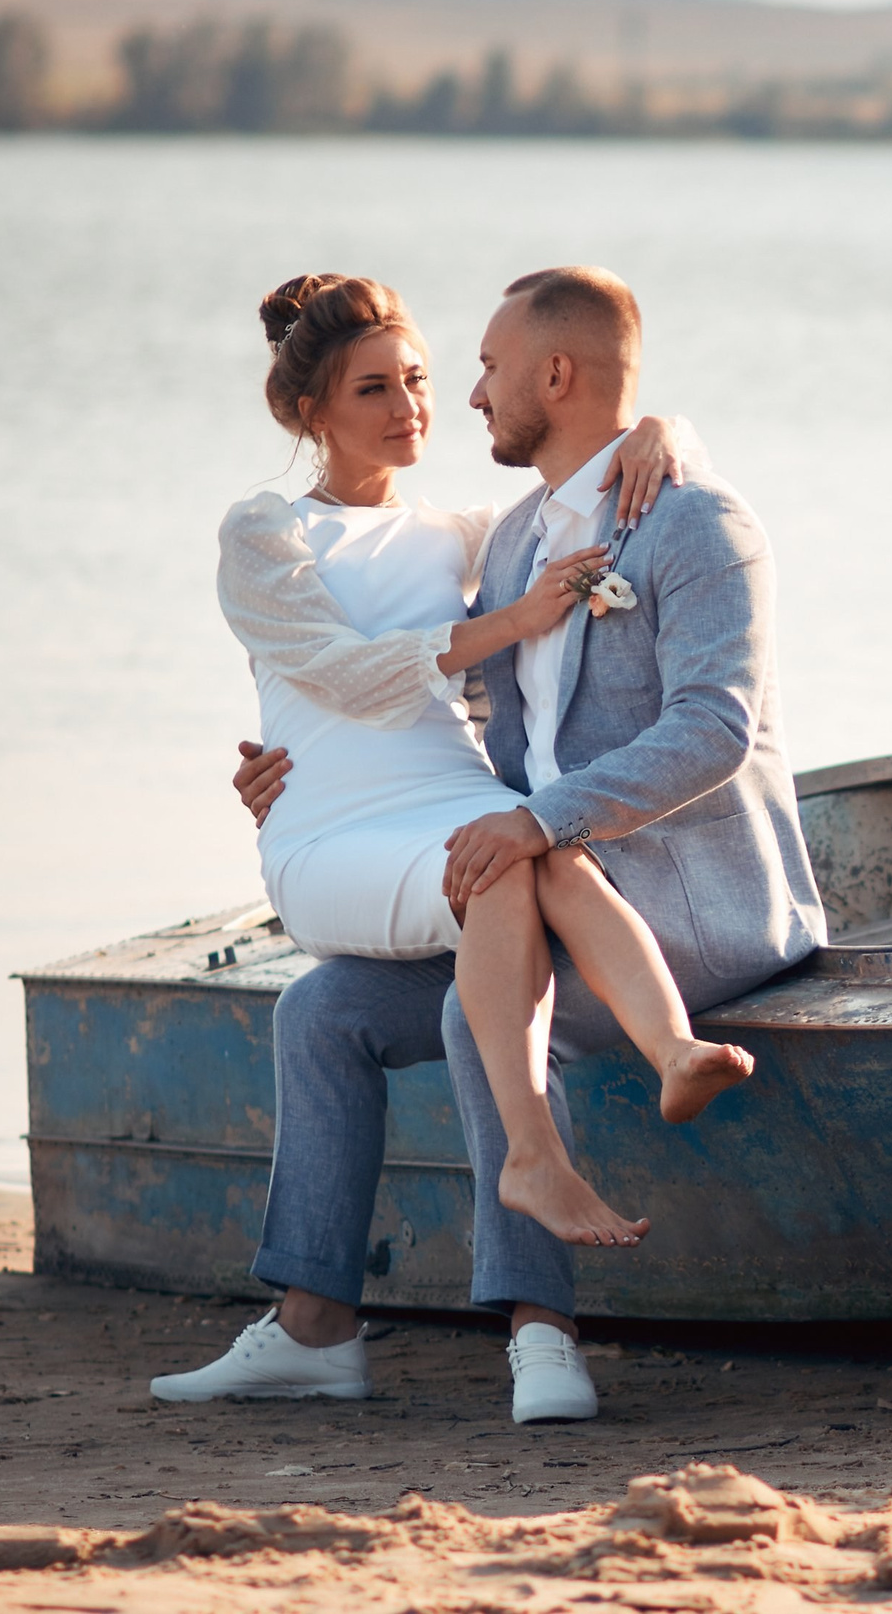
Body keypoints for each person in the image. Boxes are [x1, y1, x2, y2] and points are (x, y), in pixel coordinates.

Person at [152, 268, 825, 1423]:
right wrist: (301, 776)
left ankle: (542, 1332)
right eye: (405, 380)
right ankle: (314, 1326)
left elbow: (714, 729)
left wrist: (539, 819)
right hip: (533, 878)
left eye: (473, 370)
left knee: (479, 1003)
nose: (457, 398)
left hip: (685, 905)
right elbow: (462, 712)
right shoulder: (507, 547)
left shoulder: (698, 520)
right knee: (321, 1008)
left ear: (553, 376)